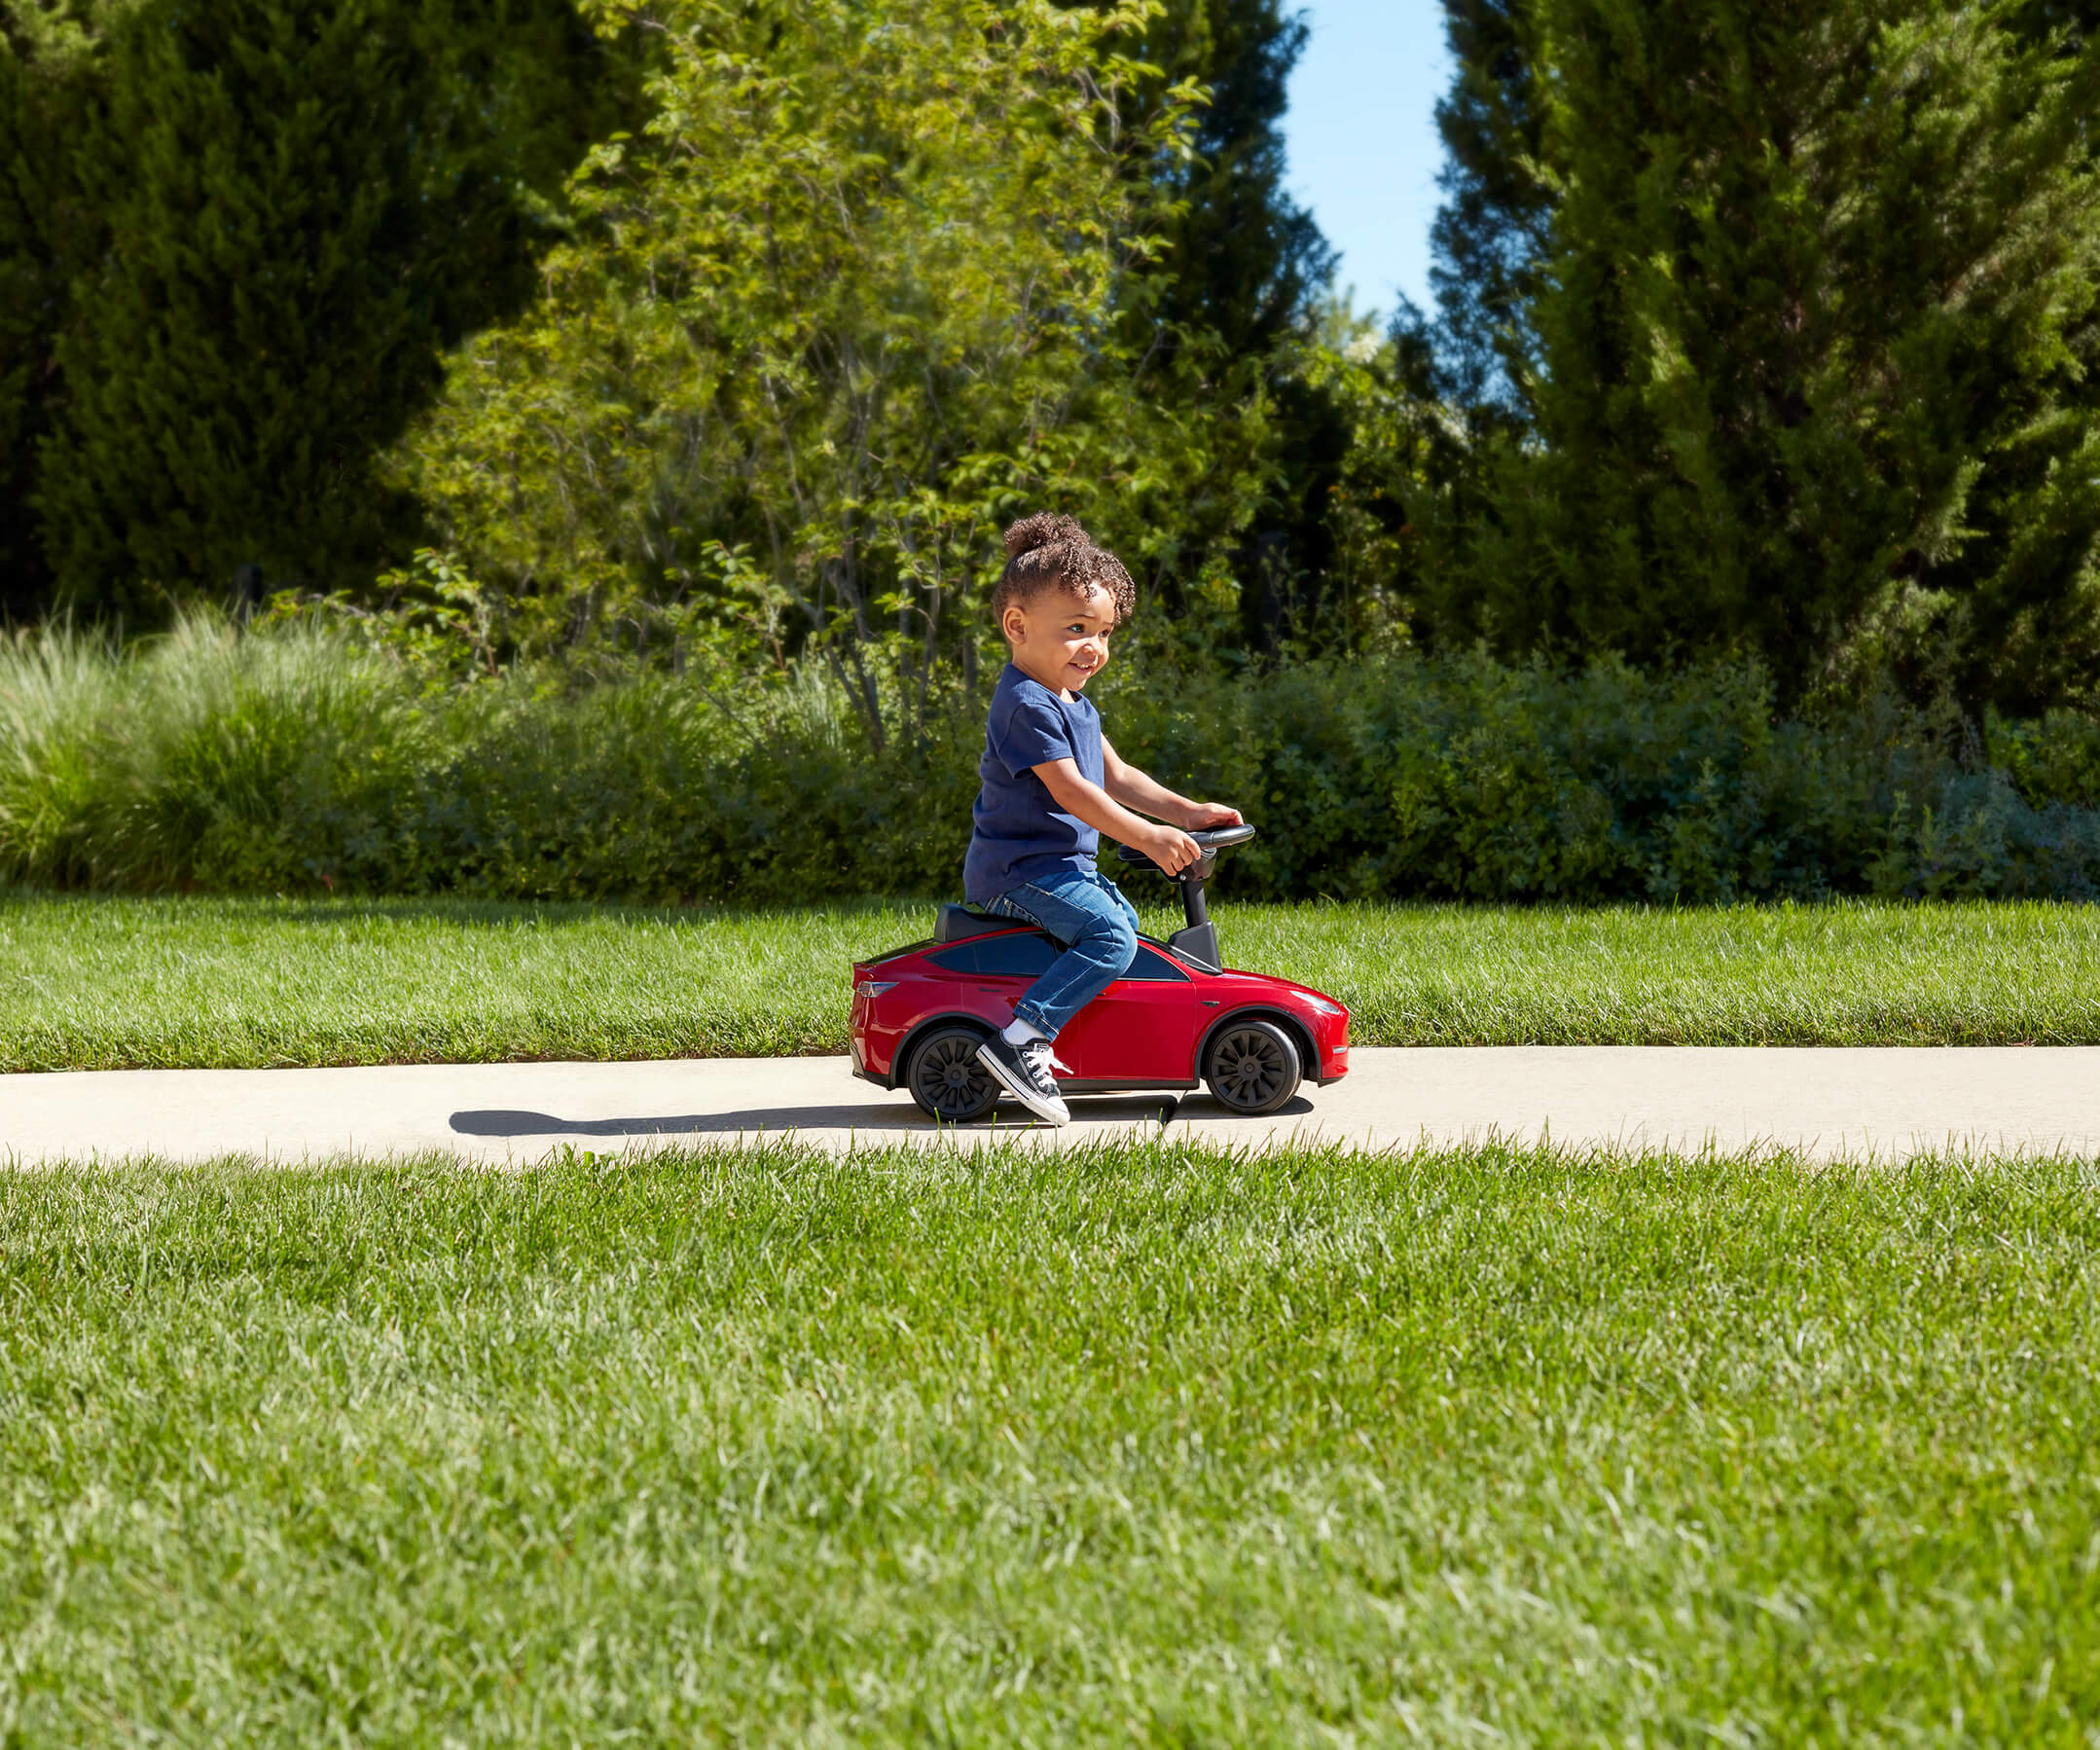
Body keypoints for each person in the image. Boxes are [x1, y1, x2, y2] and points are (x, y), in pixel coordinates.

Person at [964, 513, 1244, 1125]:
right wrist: (1146, 836)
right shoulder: (1023, 705)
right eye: (1076, 629)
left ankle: (1079, 1037)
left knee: (1125, 928)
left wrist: (1187, 812)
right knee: (1110, 937)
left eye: (1106, 632)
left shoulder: (1072, 703)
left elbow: (1116, 777)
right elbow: (1072, 793)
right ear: (1018, 626)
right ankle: (1020, 1041)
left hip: (1061, 867)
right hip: (1019, 871)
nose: (1096, 647)